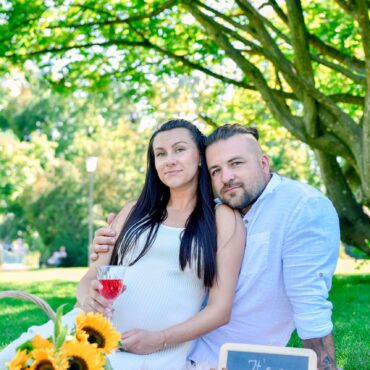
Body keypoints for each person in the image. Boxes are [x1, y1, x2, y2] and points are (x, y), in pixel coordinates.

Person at [0, 120, 245, 370]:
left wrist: (159, 340)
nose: (169, 160)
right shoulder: (133, 211)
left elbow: (220, 309)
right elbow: (90, 277)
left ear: (201, 157)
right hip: (90, 334)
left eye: (179, 149)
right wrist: (87, 301)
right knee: (10, 359)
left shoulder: (222, 219)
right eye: (160, 154)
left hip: (154, 354)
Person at [93, 124, 340, 370]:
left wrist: (326, 367)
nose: (227, 177)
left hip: (230, 360)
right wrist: (110, 243)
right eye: (216, 170)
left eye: (237, 164)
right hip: (173, 350)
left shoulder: (303, 207)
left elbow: (310, 305)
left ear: (263, 163)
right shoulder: (212, 211)